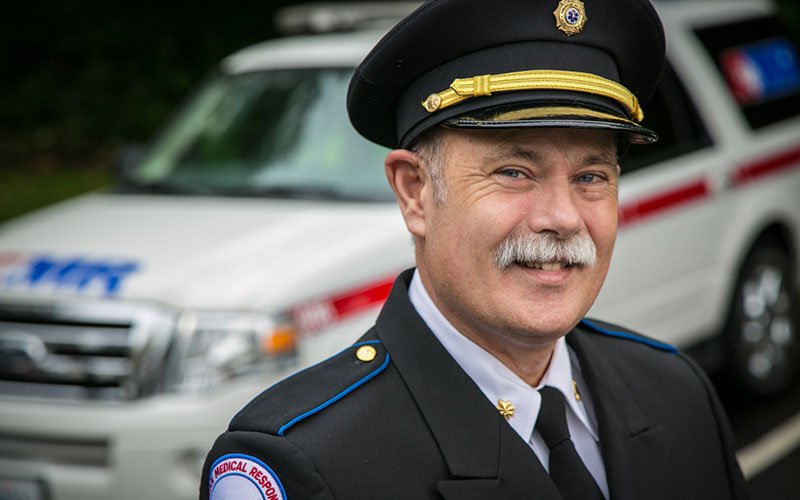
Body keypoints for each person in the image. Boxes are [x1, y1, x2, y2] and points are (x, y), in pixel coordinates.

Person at [200, 0, 748, 498]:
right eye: (514, 171)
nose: (562, 217)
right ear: (416, 193)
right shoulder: (305, 464)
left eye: (591, 175)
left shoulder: (675, 390)